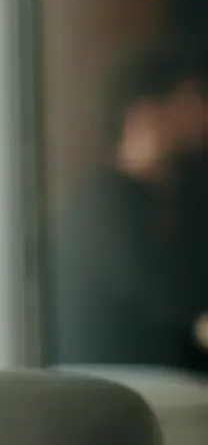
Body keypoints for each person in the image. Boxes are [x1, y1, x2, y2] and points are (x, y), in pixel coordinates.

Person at [49, 40, 208, 373]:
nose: (203, 111)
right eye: (192, 97)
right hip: (126, 399)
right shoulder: (100, 208)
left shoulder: (177, 197)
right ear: (145, 110)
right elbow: (175, 302)